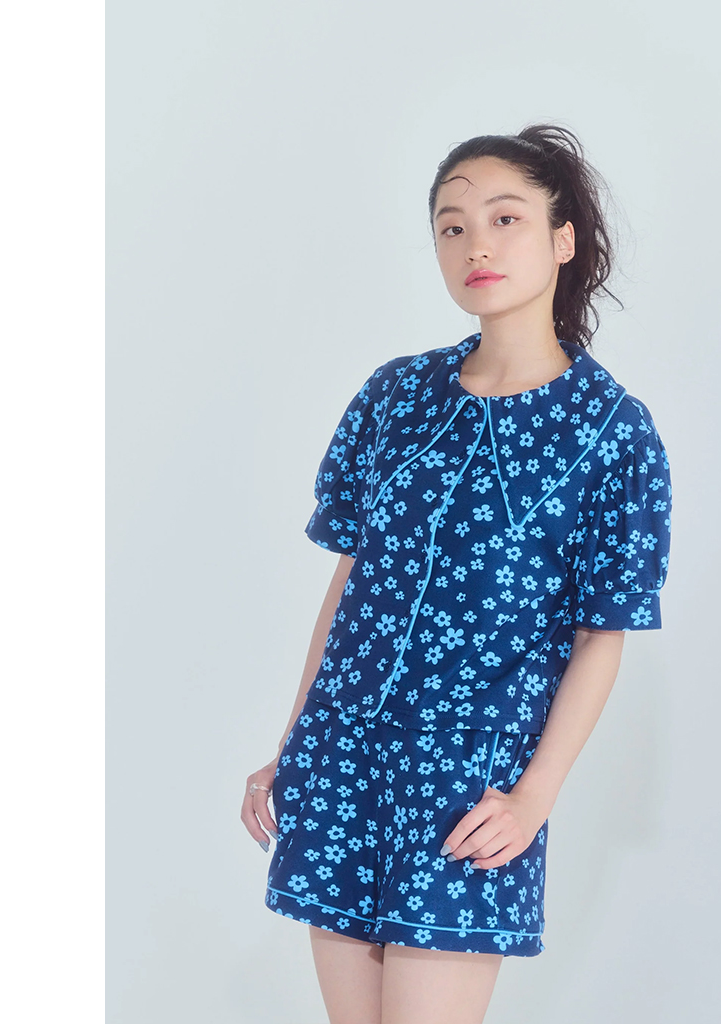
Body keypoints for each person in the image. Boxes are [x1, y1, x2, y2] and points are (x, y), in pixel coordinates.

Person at [241, 123, 672, 1024]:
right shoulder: (394, 394)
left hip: (470, 788)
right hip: (343, 759)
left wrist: (534, 798)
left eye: (505, 218)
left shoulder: (611, 431)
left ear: (563, 239)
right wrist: (293, 741)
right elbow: (351, 585)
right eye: (452, 226)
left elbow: (603, 634)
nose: (476, 244)